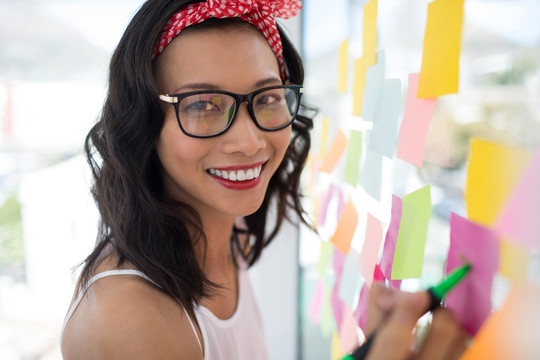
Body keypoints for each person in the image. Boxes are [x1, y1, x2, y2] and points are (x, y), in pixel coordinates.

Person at [60, 1, 467, 359]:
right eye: (203, 105)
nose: (249, 141)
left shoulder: (225, 235)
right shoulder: (131, 318)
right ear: (143, 124)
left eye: (268, 98)